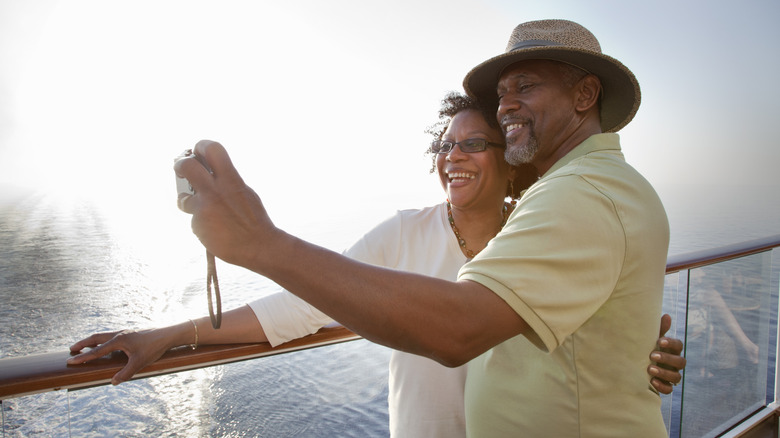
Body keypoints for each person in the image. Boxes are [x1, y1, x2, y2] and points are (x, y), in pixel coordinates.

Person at [75, 19, 677, 436]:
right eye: (449, 144)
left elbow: (459, 328)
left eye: (526, 86)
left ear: (584, 95)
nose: (506, 104)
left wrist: (262, 243)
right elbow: (296, 308)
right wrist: (173, 334)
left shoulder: (572, 200)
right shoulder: (546, 209)